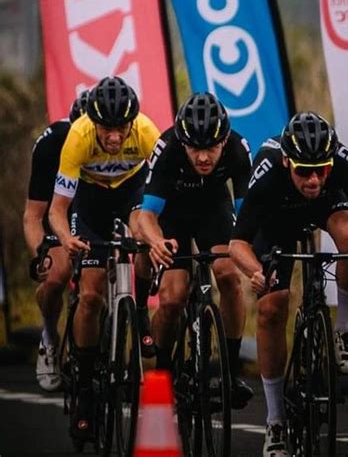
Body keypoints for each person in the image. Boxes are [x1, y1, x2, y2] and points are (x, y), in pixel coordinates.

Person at [229, 111, 348, 456]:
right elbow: (237, 244)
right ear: (288, 162)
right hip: (277, 220)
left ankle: (343, 330)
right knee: (272, 309)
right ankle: (274, 421)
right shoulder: (268, 171)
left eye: (322, 169)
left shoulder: (342, 163)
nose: (315, 179)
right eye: (305, 171)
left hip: (328, 209)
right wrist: (256, 272)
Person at [48, 76, 161, 440]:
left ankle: (140, 308)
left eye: (120, 129)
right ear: (93, 123)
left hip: (132, 189)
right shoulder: (78, 137)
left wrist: (155, 236)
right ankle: (83, 388)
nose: (114, 137)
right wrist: (66, 238)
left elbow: (162, 193)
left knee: (143, 236)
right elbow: (57, 209)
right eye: (106, 129)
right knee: (92, 294)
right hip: (90, 200)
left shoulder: (146, 132)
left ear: (132, 123)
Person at [138, 92, 254, 409]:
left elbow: (248, 216)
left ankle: (230, 371)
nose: (203, 158)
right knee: (173, 296)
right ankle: (163, 374)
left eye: (211, 149)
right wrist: (156, 242)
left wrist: (252, 252)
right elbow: (147, 216)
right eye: (195, 149)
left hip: (213, 210)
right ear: (183, 142)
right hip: (172, 213)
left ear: (224, 140)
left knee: (228, 274)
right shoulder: (168, 147)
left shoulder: (238, 149)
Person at [23, 90, 89, 392]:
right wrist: (42, 256)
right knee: (57, 274)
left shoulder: (120, 144)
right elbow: (34, 216)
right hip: (58, 210)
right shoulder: (51, 145)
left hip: (95, 207)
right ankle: (49, 338)